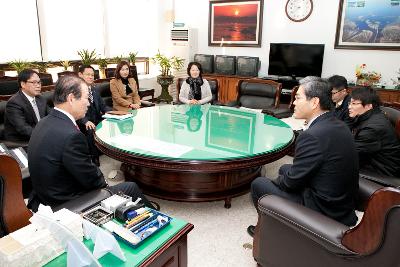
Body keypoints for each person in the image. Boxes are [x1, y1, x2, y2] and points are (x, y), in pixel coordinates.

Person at [248, 77, 359, 237]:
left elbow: (290, 184)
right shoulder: (337, 124)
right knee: (284, 167)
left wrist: (278, 183)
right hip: (341, 203)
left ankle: (265, 231)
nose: (293, 102)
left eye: (298, 98)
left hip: (324, 209)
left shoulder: (312, 136)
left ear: (314, 102)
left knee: (259, 183)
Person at [28, 75, 156, 211]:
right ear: (71, 99)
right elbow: (92, 180)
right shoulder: (71, 136)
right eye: (85, 98)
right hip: (67, 203)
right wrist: (106, 185)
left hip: (45, 196)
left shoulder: (43, 122)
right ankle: (157, 220)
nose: (89, 103)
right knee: (130, 187)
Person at [349, 87, 400, 177]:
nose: (349, 106)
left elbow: (351, 154)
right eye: (350, 102)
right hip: (371, 162)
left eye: (354, 103)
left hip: (383, 172)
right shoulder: (373, 115)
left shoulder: (372, 129)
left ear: (369, 106)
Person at [77, 65, 112, 165]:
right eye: (88, 74)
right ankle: (94, 157)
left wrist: (113, 112)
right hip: (83, 121)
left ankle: (109, 149)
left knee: (112, 121)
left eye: (92, 75)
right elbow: (75, 111)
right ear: (80, 75)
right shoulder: (75, 91)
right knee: (90, 129)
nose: (91, 77)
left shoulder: (94, 89)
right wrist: (85, 121)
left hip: (96, 118)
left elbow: (103, 106)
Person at [4, 69, 50, 142]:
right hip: (21, 142)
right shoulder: (14, 103)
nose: (38, 86)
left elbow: (52, 116)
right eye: (34, 82)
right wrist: (45, 137)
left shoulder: (40, 98)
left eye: (39, 82)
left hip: (39, 137)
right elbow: (23, 129)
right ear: (23, 84)